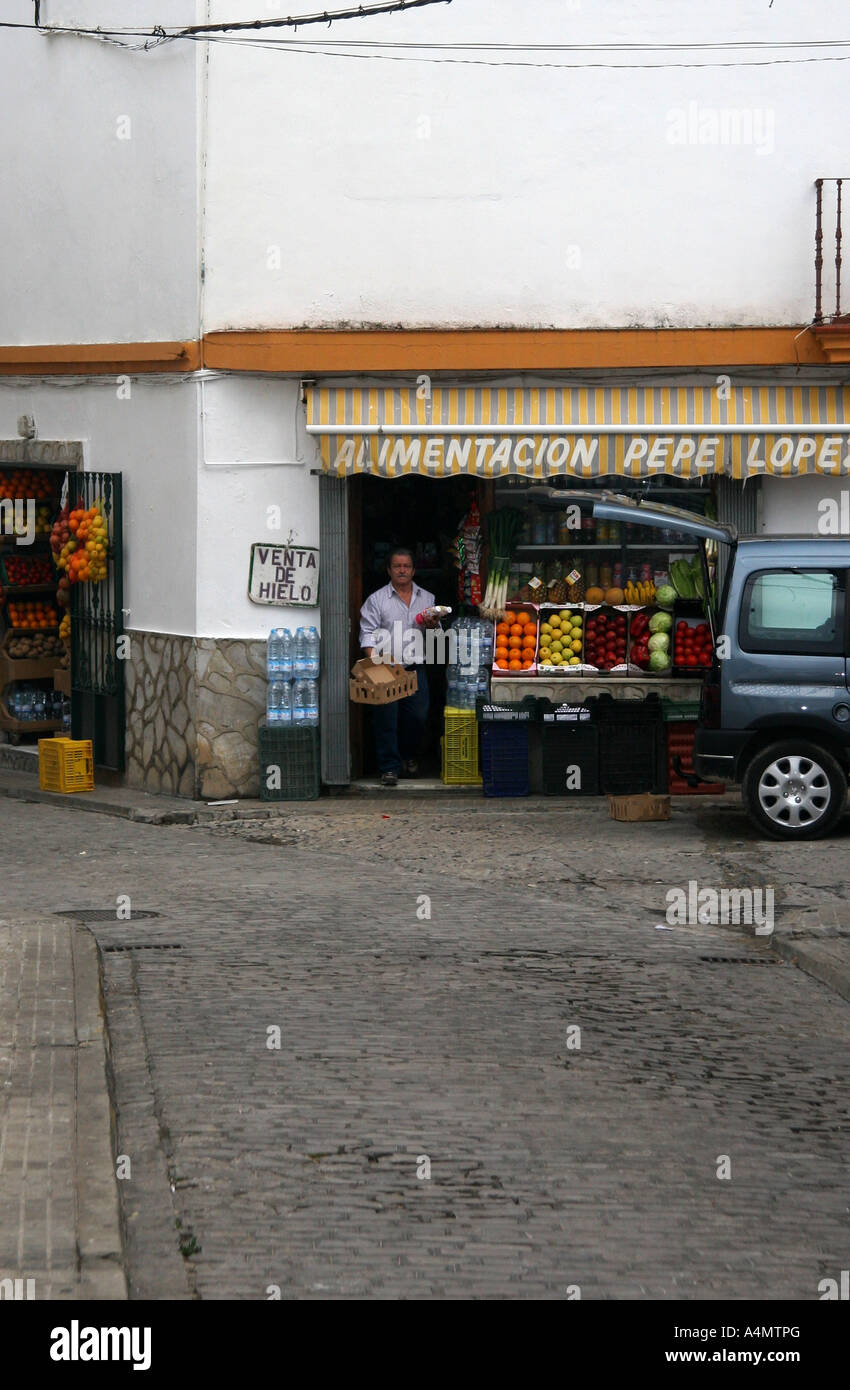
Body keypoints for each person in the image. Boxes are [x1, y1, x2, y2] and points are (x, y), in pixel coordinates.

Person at [359, 547, 439, 786]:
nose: (402, 570)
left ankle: (409, 755)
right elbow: (367, 633)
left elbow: (436, 637)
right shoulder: (376, 599)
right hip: (384, 666)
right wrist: (372, 663)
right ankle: (389, 768)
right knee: (386, 719)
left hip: (415, 666)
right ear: (389, 570)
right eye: (397, 566)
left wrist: (434, 625)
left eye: (406, 566)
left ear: (413, 570)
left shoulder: (428, 599)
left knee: (417, 717)